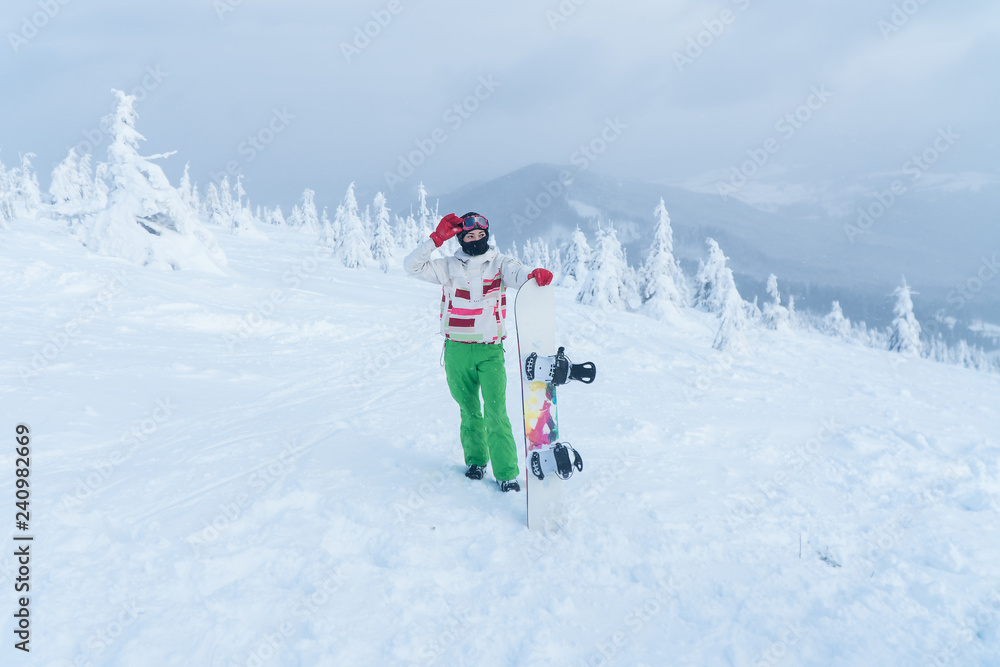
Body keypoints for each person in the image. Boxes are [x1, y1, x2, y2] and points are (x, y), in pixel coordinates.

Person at [404, 212, 553, 492]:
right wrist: (435, 239)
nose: (475, 240)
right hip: (456, 351)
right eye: (469, 236)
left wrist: (533, 276)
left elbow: (519, 275)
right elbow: (411, 266)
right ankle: (475, 461)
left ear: (487, 235)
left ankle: (507, 473)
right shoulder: (448, 266)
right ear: (460, 239)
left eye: (480, 235)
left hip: (489, 351)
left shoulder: (499, 263)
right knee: (469, 410)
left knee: (496, 412)